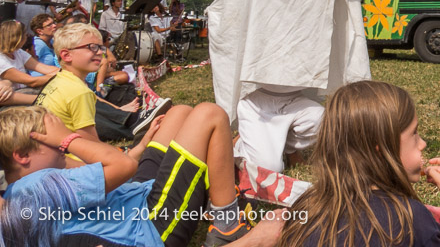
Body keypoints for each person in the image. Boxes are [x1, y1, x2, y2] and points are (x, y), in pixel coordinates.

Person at [0, 105, 283, 247]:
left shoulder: (30, 185)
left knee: (179, 113)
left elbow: (120, 166)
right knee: (209, 115)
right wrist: (68, 138)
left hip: (132, 198)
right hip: (149, 227)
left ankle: (213, 195)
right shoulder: (35, 188)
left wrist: (140, 147)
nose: (63, 145)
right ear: (22, 156)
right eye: (55, 142)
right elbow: (121, 168)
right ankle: (228, 225)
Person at [278, 80, 440, 247]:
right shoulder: (410, 220)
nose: (423, 143)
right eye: (414, 133)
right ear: (382, 150)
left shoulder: (305, 208)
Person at [34, 23, 170, 142]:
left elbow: (96, 100)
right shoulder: (77, 91)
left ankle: (134, 121)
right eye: (92, 47)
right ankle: (135, 125)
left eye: (100, 47)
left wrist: (119, 109)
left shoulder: (62, 80)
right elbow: (91, 144)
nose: (100, 52)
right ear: (66, 55)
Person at [0, 20, 58, 91]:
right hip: (16, 97)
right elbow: (31, 81)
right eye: (25, 34)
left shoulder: (18, 52)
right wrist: (62, 76)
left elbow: (42, 67)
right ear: (19, 38)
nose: (26, 36)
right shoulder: (1, 60)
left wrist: (66, 72)